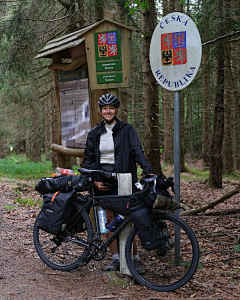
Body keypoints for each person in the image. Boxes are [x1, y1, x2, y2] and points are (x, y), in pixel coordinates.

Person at [83, 94, 154, 273]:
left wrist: (149, 171)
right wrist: (95, 180)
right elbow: (89, 160)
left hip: (124, 179)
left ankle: (134, 258)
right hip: (103, 179)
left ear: (116, 110)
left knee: (130, 218)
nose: (108, 111)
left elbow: (138, 152)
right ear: (100, 111)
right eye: (105, 108)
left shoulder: (127, 130)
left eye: (111, 108)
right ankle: (115, 258)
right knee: (108, 219)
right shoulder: (94, 133)